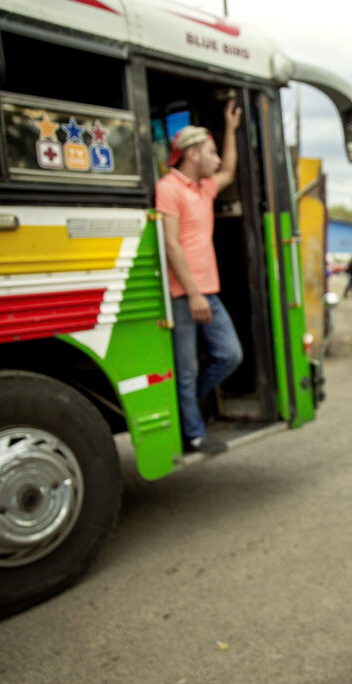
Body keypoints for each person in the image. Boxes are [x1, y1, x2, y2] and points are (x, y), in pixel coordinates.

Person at [156, 99, 243, 454]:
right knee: (186, 368)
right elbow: (171, 246)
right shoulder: (169, 187)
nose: (217, 159)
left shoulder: (203, 188)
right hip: (184, 294)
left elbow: (230, 171)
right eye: (211, 152)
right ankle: (193, 433)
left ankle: (186, 405)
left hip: (208, 291)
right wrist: (192, 293)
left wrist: (231, 131)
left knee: (229, 355)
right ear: (192, 154)